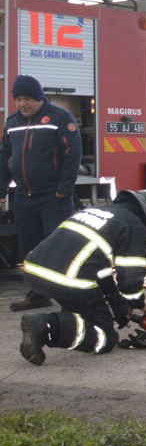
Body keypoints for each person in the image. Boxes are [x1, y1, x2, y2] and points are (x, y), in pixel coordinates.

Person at [18, 189, 146, 365]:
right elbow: (130, 278)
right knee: (105, 338)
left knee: (82, 311)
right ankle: (46, 325)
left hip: (34, 271)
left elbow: (100, 271)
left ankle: (59, 322)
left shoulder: (96, 212)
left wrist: (118, 306)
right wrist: (136, 304)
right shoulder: (134, 226)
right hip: (68, 280)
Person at [1, 74, 83, 312]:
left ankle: (72, 296)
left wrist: (63, 190)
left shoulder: (59, 118)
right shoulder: (13, 122)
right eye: (18, 99)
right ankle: (38, 293)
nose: (22, 104)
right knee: (30, 248)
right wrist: (1, 189)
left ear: (38, 98)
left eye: (27, 99)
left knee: (59, 247)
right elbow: (5, 157)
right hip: (24, 197)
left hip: (53, 198)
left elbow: (72, 154)